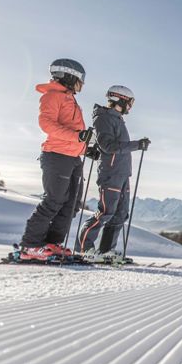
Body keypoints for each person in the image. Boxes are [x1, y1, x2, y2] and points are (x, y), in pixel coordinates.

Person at [19, 59, 93, 261]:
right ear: (69, 76)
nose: (82, 84)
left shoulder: (70, 99)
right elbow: (47, 124)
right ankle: (30, 245)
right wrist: (78, 137)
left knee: (72, 204)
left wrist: (87, 148)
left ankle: (52, 243)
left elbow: (74, 133)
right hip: (56, 156)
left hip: (73, 157)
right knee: (54, 200)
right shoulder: (52, 96)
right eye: (81, 80)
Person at [77, 85, 149, 260]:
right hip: (111, 172)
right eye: (130, 103)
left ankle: (106, 251)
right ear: (120, 99)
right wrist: (136, 145)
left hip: (122, 172)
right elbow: (108, 146)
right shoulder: (104, 118)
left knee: (121, 213)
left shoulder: (117, 119)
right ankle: (85, 249)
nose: (130, 107)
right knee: (106, 211)